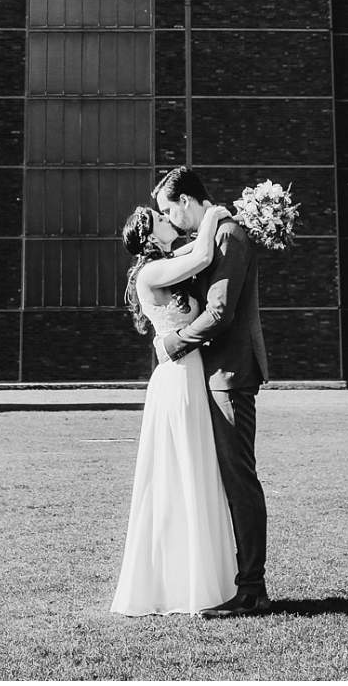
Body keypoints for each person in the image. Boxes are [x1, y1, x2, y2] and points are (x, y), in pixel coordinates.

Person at [109, 201, 237, 616]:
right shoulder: (150, 273)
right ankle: (176, 585)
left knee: (195, 472)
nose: (169, 221)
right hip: (177, 381)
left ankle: (199, 578)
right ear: (148, 236)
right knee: (179, 473)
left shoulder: (167, 260)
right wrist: (217, 214)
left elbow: (194, 253)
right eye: (162, 219)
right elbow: (201, 253)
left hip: (190, 376)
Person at [153, 165, 271, 618]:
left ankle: (252, 589)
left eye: (169, 210)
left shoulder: (229, 237)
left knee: (239, 480)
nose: (169, 220)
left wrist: (172, 344)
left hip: (230, 376)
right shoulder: (208, 238)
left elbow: (220, 313)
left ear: (186, 202)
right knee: (219, 480)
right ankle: (232, 582)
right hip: (209, 374)